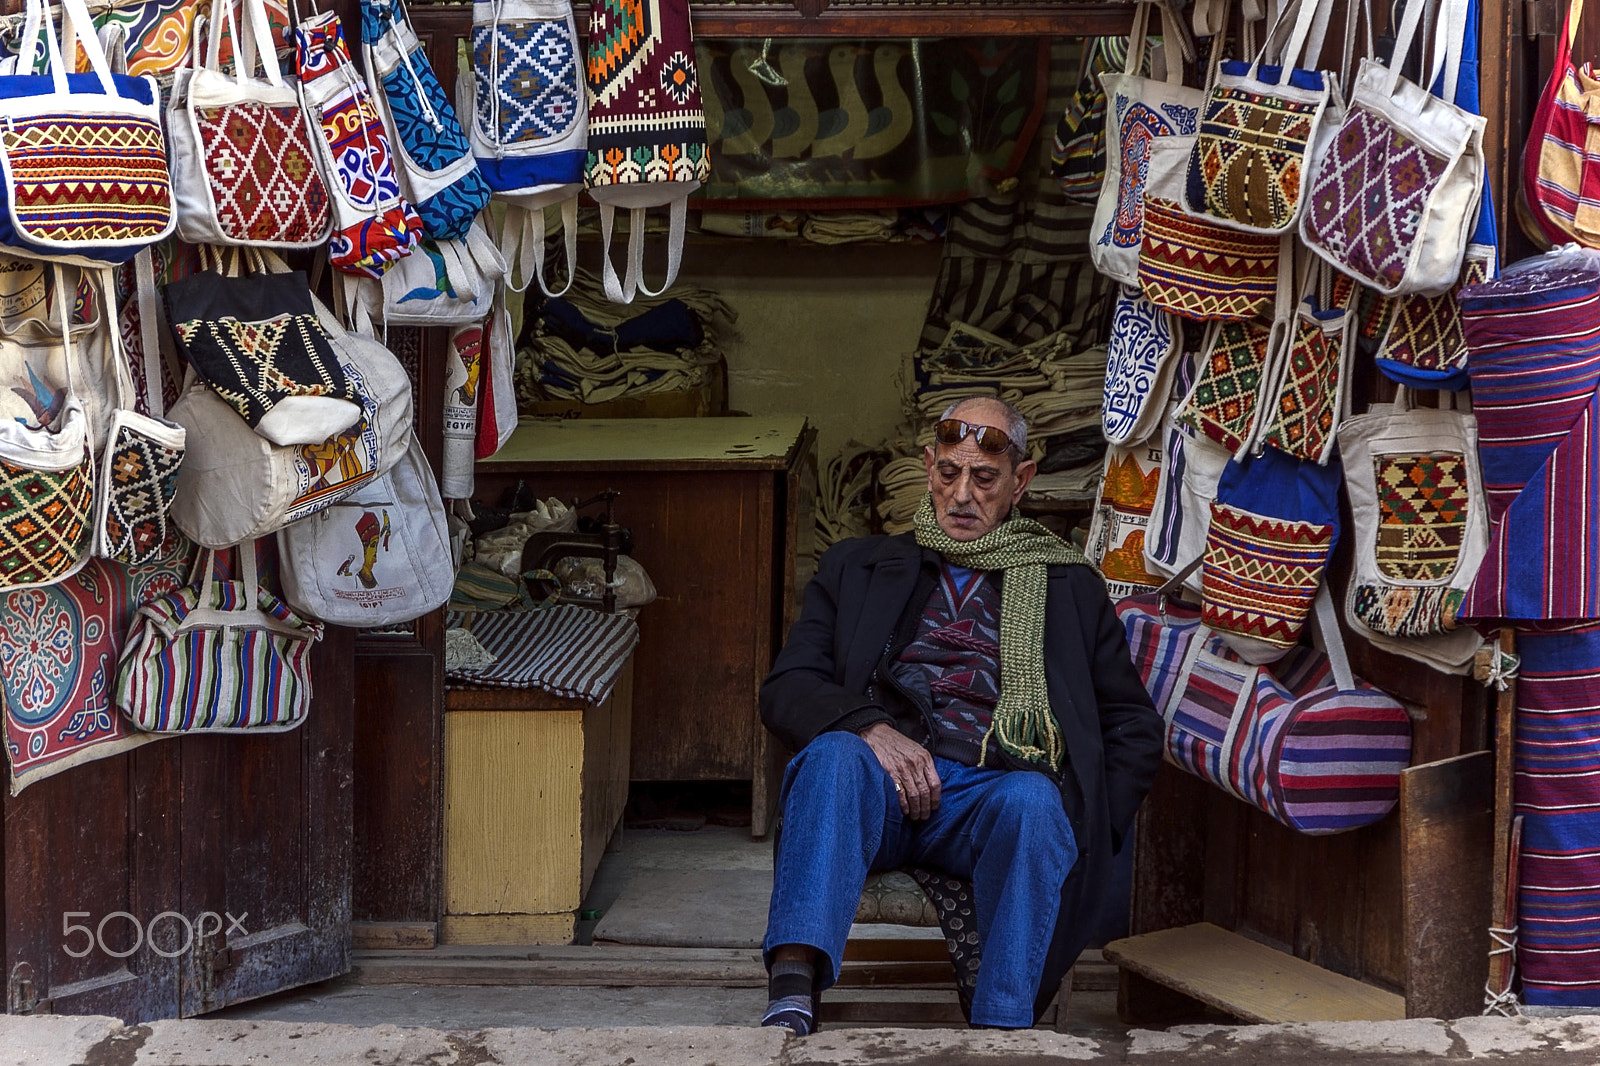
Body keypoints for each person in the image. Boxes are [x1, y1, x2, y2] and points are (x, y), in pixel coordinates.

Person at [758, 395, 1163, 1034]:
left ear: (1021, 483)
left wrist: (1084, 827)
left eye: (984, 478)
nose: (962, 495)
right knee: (835, 752)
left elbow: (1133, 726)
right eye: (949, 473)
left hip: (987, 798)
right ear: (928, 468)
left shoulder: (1070, 588)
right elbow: (787, 687)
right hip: (879, 784)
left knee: (1035, 801)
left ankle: (1002, 1029)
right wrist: (871, 727)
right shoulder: (858, 567)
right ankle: (791, 991)